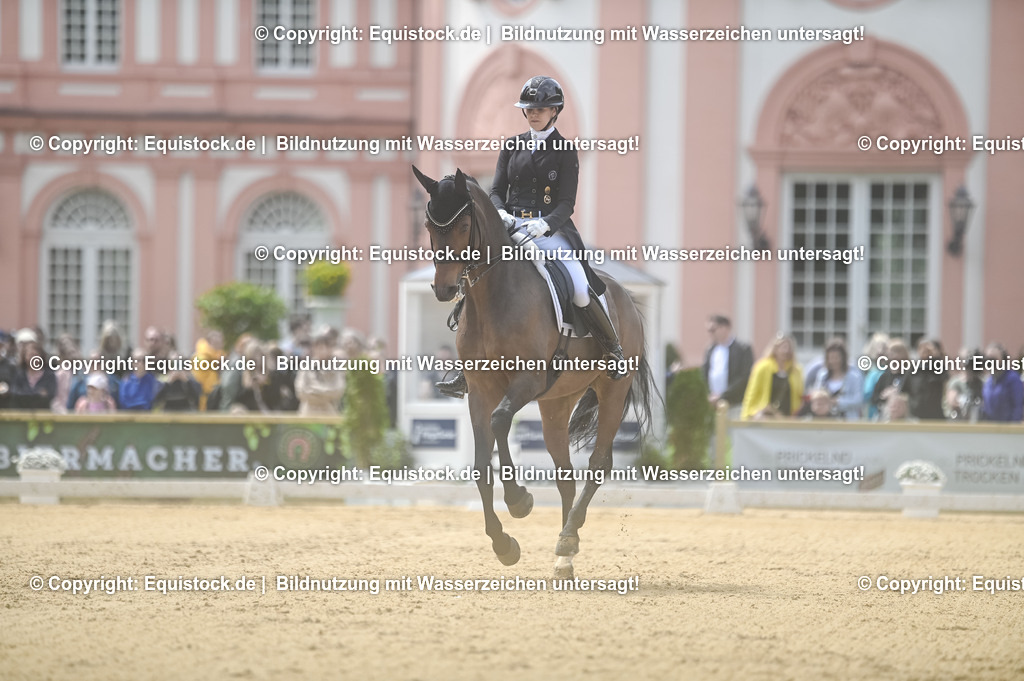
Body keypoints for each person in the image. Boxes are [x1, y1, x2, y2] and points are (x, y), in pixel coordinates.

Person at [435, 75, 626, 399]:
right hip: (510, 228)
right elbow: (495, 191)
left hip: (550, 231)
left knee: (579, 286)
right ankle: (466, 369)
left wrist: (544, 224)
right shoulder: (511, 146)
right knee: (479, 278)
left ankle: (612, 349)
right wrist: (501, 214)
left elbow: (566, 202)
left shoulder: (565, 151)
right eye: (529, 109)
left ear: (554, 111)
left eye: (540, 108)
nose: (533, 114)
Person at [741, 334, 804, 420]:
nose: (786, 351)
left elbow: (799, 395)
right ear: (775, 349)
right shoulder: (762, 367)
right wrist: (747, 415)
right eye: (783, 347)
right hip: (766, 415)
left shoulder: (796, 370)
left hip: (788, 416)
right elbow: (752, 393)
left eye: (788, 348)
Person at [701, 315, 754, 412]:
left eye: (713, 330)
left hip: (734, 403)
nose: (710, 333)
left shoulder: (743, 349)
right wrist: (710, 395)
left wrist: (722, 395)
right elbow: (704, 374)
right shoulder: (710, 350)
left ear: (724, 328)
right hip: (713, 404)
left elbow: (745, 377)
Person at [805, 338, 863, 420]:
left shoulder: (854, 376)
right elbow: (816, 395)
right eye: (831, 357)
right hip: (826, 420)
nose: (834, 361)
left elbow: (858, 400)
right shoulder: (822, 375)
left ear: (843, 358)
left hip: (847, 420)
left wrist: (837, 402)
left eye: (837, 357)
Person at [294, 332, 344, 415]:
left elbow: (338, 391)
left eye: (326, 347)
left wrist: (314, 391)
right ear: (314, 348)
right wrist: (325, 392)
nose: (323, 350)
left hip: (329, 412)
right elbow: (300, 391)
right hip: (308, 412)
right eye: (319, 347)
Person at [980, 343, 1023, 422]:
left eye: (994, 359)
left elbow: (1017, 407)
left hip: (1008, 429)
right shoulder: (988, 382)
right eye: (988, 359)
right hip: (991, 429)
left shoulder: (1013, 379)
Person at [10, 339, 57, 410]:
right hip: (21, 413)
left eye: (36, 355)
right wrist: (36, 394)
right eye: (30, 355)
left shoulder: (49, 375)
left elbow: (50, 394)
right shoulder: (19, 374)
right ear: (24, 357)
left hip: (43, 413)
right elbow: (14, 393)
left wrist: (25, 394)